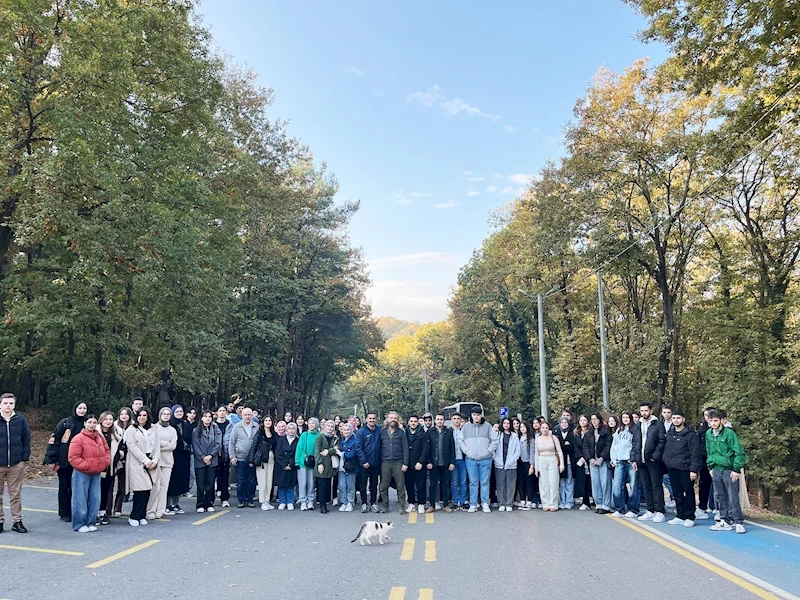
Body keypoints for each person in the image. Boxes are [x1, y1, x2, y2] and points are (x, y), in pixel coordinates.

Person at [44, 401, 88, 522]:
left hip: (81, 461)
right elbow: (54, 440)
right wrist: (52, 458)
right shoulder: (65, 423)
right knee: (65, 487)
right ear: (75, 409)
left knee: (79, 488)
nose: (82, 410)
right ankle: (64, 512)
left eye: (84, 408)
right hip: (65, 461)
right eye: (80, 408)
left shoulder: (87, 423)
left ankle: (77, 511)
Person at [705, 410, 747, 533]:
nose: (713, 423)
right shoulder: (708, 434)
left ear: (722, 421)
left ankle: (738, 521)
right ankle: (724, 520)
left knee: (733, 496)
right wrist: (710, 467)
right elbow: (709, 451)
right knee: (720, 496)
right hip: (716, 468)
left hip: (729, 469)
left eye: (716, 420)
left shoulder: (729, 434)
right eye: (711, 421)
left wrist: (736, 469)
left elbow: (738, 452)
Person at [67, 414, 110, 533]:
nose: (92, 425)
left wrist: (104, 463)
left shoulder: (99, 437)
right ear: (85, 423)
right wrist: (86, 466)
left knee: (95, 498)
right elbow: (73, 457)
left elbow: (106, 451)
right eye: (89, 422)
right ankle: (79, 523)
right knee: (80, 498)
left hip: (96, 473)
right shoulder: (78, 438)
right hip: (82, 473)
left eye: (94, 422)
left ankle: (91, 522)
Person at [663, 409, 701, 527]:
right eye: (674, 418)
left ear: (683, 419)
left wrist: (693, 470)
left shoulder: (691, 435)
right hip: (672, 468)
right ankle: (680, 515)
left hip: (686, 468)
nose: (676, 420)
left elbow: (695, 453)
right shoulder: (670, 433)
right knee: (677, 493)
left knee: (689, 492)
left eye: (678, 418)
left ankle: (690, 516)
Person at [124, 408, 160, 526]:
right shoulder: (131, 429)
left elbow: (157, 445)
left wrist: (155, 459)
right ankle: (134, 516)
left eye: (144, 415)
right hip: (137, 462)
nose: (142, 417)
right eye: (139, 415)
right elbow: (132, 446)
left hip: (151, 461)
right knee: (140, 489)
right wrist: (145, 460)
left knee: (149, 489)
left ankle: (142, 515)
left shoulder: (154, 428)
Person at [0, 393, 31, 533]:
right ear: (0, 404)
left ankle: (17, 521)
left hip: (16, 464)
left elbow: (26, 439)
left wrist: (24, 459)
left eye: (11, 403)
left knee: (15, 494)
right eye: (5, 403)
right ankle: (0, 521)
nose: (8, 406)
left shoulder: (21, 420)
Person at [633, 402, 667, 523]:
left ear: (651, 411)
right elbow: (635, 443)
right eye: (641, 411)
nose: (644, 413)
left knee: (656, 485)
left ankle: (660, 511)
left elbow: (662, 441)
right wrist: (634, 459)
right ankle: (650, 510)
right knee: (646, 485)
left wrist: (655, 456)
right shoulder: (637, 425)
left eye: (646, 411)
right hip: (641, 460)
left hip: (653, 460)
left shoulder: (658, 425)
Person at [460, 406, 498, 513]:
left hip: (485, 458)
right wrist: (466, 451)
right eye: (474, 415)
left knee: (485, 482)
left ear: (481, 415)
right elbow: (460, 440)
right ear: (471, 415)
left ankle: (485, 503)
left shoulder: (488, 426)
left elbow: (494, 440)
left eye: (478, 415)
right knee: (473, 482)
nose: (476, 417)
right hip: (471, 459)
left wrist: (489, 450)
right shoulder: (466, 427)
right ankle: (473, 503)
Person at [146, 407, 177, 520]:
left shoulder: (172, 430)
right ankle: (151, 510)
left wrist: (161, 444)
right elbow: (153, 444)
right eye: (163, 413)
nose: (165, 416)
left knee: (164, 487)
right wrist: (164, 444)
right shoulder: (154, 427)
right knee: (155, 486)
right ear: (159, 415)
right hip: (156, 460)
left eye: (168, 414)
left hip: (168, 461)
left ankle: (160, 510)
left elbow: (173, 446)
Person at [378, 411, 408, 514]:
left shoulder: (401, 433)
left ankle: (401, 506)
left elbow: (405, 449)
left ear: (398, 420)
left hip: (398, 462)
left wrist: (405, 463)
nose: (393, 420)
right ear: (387, 419)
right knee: (383, 486)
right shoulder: (382, 432)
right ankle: (385, 506)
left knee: (400, 486)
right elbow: (378, 447)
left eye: (395, 418)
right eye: (391, 418)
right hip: (385, 462)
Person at [610, 411, 639, 518]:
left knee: (633, 486)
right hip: (619, 461)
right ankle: (619, 508)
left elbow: (636, 446)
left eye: (627, 417)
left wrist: (634, 459)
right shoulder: (619, 431)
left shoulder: (635, 430)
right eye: (623, 417)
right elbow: (614, 446)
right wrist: (613, 459)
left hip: (630, 461)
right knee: (617, 486)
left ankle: (633, 509)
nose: (625, 419)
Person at [192, 411, 222, 513]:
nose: (208, 418)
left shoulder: (216, 429)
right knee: (200, 483)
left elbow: (218, 444)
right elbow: (195, 445)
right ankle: (200, 504)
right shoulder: (196, 430)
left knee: (210, 483)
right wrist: (203, 457)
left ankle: (209, 503)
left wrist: (210, 456)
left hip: (212, 460)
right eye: (206, 416)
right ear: (201, 418)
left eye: (210, 417)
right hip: (200, 460)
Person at [229, 407, 259, 508]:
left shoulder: (256, 427)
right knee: (241, 480)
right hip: (240, 458)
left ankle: (250, 499)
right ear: (242, 415)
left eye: (249, 415)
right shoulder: (236, 427)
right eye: (245, 415)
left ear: (252, 416)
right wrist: (232, 456)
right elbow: (231, 442)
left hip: (252, 459)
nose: (247, 417)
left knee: (251, 480)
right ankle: (241, 500)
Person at [583, 413, 612, 514]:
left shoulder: (606, 432)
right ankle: (598, 503)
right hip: (592, 460)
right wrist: (590, 458)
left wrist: (602, 458)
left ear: (599, 420)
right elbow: (585, 447)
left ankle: (606, 504)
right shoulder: (588, 433)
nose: (594, 421)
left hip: (603, 460)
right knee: (595, 483)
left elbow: (608, 446)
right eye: (592, 419)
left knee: (605, 482)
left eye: (596, 419)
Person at [96, 412, 122, 525]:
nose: (108, 421)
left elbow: (122, 447)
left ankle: (103, 513)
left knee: (106, 490)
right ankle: (94, 513)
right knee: (96, 492)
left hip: (111, 467)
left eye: (110, 419)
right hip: (98, 468)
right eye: (106, 419)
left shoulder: (115, 434)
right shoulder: (95, 433)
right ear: (101, 420)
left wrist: (119, 455)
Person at [427, 413, 456, 513]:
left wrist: (452, 462)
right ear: (435, 420)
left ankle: (446, 505)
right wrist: (428, 462)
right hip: (433, 463)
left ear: (444, 421)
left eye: (441, 419)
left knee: (446, 485)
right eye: (438, 419)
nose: (439, 421)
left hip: (445, 463)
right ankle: (432, 505)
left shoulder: (448, 432)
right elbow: (427, 448)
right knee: (433, 485)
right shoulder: (430, 432)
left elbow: (452, 447)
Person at [247, 416, 276, 510]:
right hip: (262, 460)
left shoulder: (273, 434)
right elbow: (254, 446)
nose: (268, 422)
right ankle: (262, 501)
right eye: (266, 420)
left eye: (269, 420)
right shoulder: (259, 434)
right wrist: (251, 460)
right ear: (263, 422)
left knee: (269, 481)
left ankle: (267, 501)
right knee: (262, 481)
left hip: (271, 460)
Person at [355, 412, 382, 513]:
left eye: (374, 418)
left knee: (374, 484)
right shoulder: (361, 431)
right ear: (366, 419)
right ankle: (364, 503)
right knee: (363, 484)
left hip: (376, 462)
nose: (372, 420)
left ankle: (373, 503)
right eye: (370, 418)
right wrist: (364, 461)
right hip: (364, 463)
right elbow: (358, 447)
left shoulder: (379, 430)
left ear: (376, 419)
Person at [534, 420, 564, 511]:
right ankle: (545, 503)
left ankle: (553, 503)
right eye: (543, 428)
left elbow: (559, 451)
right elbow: (536, 453)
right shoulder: (538, 439)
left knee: (553, 482)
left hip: (552, 459)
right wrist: (536, 467)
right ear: (540, 429)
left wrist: (562, 464)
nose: (545, 429)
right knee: (543, 483)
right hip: (542, 459)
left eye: (546, 428)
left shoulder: (553, 438)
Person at [167, 405, 191, 514]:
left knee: (180, 480)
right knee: (171, 480)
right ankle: (168, 504)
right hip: (172, 454)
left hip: (184, 456)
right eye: (176, 411)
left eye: (181, 411)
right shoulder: (170, 424)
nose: (179, 413)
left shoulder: (185, 424)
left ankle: (176, 503)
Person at [492, 417, 519, 512]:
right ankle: (501, 503)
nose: (506, 425)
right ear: (501, 425)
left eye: (508, 423)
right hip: (499, 463)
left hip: (511, 464)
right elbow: (493, 448)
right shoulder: (498, 435)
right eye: (504, 423)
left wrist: (513, 460)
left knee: (511, 485)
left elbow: (517, 450)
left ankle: (509, 503)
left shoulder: (514, 436)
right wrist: (495, 459)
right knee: (500, 484)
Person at [405, 415, 429, 514]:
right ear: (408, 422)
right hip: (408, 463)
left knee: (421, 485)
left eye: (415, 421)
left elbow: (426, 449)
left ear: (418, 423)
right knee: (409, 485)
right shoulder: (405, 433)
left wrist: (421, 462)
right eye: (411, 421)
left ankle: (421, 504)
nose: (413, 423)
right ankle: (411, 503)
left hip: (419, 464)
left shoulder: (423, 434)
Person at [296, 417, 320, 510]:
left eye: (313, 423)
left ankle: (310, 501)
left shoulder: (319, 435)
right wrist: (297, 461)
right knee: (302, 482)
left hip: (314, 462)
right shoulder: (304, 435)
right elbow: (299, 448)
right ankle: (303, 501)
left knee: (311, 482)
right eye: (309, 423)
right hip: (303, 462)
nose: (311, 425)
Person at [112, 407, 133, 517]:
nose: (124, 416)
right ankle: (107, 509)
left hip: (128, 459)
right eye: (122, 414)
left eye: (126, 414)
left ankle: (118, 508)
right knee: (110, 485)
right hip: (115, 458)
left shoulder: (134, 427)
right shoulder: (113, 426)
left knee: (122, 485)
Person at [696, 406, 715, 520]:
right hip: (704, 461)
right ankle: (702, 507)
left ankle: (716, 507)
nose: (707, 418)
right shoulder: (701, 430)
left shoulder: (722, 430)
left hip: (717, 461)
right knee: (703, 484)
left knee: (718, 486)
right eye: (706, 415)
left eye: (710, 415)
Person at [314, 420, 338, 514]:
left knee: (328, 484)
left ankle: (326, 504)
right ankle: (322, 506)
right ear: (325, 427)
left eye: (332, 427)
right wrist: (319, 463)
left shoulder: (334, 438)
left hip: (330, 465)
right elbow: (316, 451)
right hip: (322, 464)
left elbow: (336, 449)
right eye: (328, 426)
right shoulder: (320, 436)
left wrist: (328, 451)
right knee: (322, 485)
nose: (330, 428)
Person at [554, 416, 577, 510]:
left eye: (566, 422)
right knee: (561, 482)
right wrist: (565, 444)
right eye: (562, 422)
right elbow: (557, 447)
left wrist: (564, 445)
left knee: (569, 482)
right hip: (559, 461)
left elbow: (573, 446)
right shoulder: (556, 433)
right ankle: (562, 501)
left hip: (569, 461)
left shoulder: (573, 433)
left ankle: (569, 501)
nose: (564, 424)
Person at [275, 422, 299, 509]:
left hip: (292, 466)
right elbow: (278, 453)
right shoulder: (281, 439)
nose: (291, 431)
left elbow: (297, 453)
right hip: (281, 466)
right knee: (282, 484)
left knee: (290, 484)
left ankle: (290, 501)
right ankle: (282, 501)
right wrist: (284, 464)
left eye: (293, 429)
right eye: (289, 429)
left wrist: (290, 464)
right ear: (287, 430)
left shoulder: (297, 440)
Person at [336, 422, 358, 511]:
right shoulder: (341, 440)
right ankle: (343, 502)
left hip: (351, 467)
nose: (346, 431)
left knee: (350, 486)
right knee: (341, 486)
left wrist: (341, 453)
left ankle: (350, 502)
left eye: (348, 429)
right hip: (341, 467)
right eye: (344, 430)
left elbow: (352, 454)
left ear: (351, 430)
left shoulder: (355, 440)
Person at [450, 413, 468, 510]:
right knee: (454, 482)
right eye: (455, 419)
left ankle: (463, 501)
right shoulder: (449, 431)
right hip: (453, 460)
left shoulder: (464, 431)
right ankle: (455, 501)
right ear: (452, 420)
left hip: (463, 459)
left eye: (458, 419)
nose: (456, 421)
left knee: (463, 481)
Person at [213, 405, 231, 508]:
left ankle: (224, 499)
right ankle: (211, 499)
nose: (222, 412)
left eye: (224, 411)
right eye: (220, 411)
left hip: (226, 453)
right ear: (217, 413)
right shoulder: (213, 425)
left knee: (224, 477)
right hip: (214, 453)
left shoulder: (230, 425)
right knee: (212, 477)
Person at [573, 415, 592, 511]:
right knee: (582, 481)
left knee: (591, 481)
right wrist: (581, 457)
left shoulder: (591, 432)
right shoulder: (576, 433)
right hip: (580, 460)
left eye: (584, 420)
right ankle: (585, 501)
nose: (583, 422)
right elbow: (575, 447)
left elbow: (591, 446)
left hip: (590, 458)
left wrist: (587, 457)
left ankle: (592, 499)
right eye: (581, 420)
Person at [660, 404, 676, 508]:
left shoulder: (675, 425)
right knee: (663, 478)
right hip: (661, 455)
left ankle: (675, 497)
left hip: (673, 456)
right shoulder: (660, 425)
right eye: (664, 412)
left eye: (668, 412)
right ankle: (672, 497)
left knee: (670, 477)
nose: (666, 415)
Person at [516, 421, 534, 510]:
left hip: (527, 462)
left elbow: (532, 453)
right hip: (519, 463)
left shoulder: (530, 439)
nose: (522, 428)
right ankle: (522, 500)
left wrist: (532, 465)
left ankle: (529, 501)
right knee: (520, 482)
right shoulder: (517, 438)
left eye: (524, 427)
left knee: (529, 482)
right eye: (521, 427)